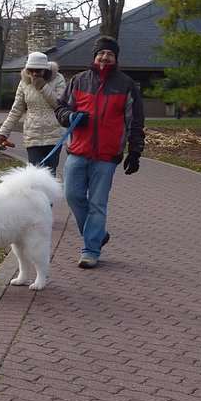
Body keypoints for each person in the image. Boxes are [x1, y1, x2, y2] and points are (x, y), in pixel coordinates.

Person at [55, 36, 145, 268]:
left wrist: (135, 152)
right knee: (73, 196)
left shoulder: (126, 85)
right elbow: (61, 108)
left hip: (106, 156)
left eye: (110, 54)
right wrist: (72, 117)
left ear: (116, 58)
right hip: (78, 151)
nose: (105, 57)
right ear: (94, 56)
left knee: (97, 203)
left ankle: (91, 250)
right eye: (101, 53)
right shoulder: (78, 81)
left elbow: (135, 122)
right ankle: (98, 233)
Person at [0, 51, 67, 175]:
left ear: (46, 69)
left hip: (54, 135)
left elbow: (60, 105)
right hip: (32, 135)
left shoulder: (58, 79)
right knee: (34, 174)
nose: (34, 74)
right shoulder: (24, 83)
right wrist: (3, 134)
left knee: (50, 174)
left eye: (38, 71)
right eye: (31, 71)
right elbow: (16, 110)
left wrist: (43, 87)